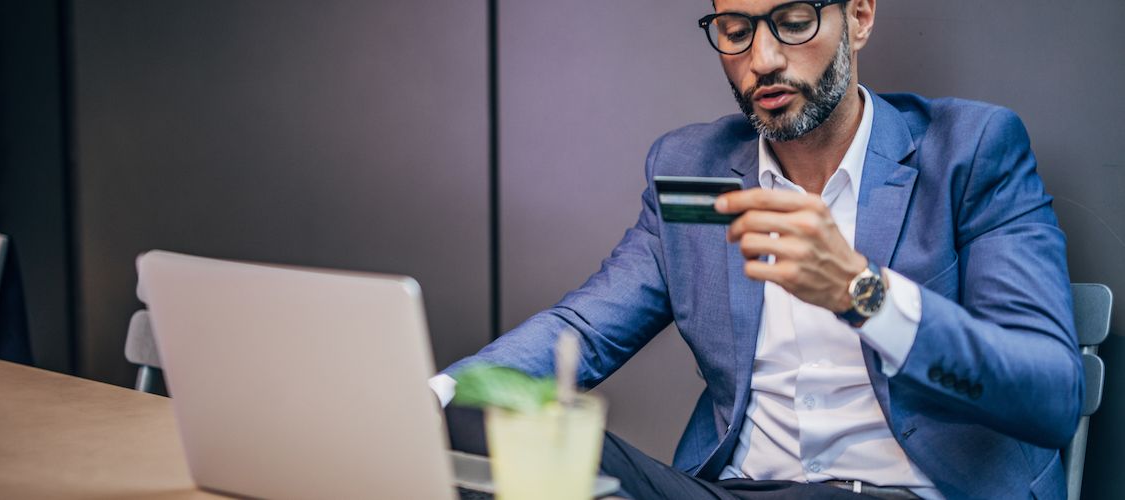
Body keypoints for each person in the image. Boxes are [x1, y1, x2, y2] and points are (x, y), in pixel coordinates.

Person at [432, 0, 1083, 498]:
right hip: (732, 487)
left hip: (907, 490)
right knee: (485, 422)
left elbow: (1050, 395)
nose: (763, 59)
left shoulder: (971, 150)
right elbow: (583, 328)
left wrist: (863, 292)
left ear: (857, 17)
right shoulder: (695, 164)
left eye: (792, 21)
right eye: (736, 31)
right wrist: (429, 397)